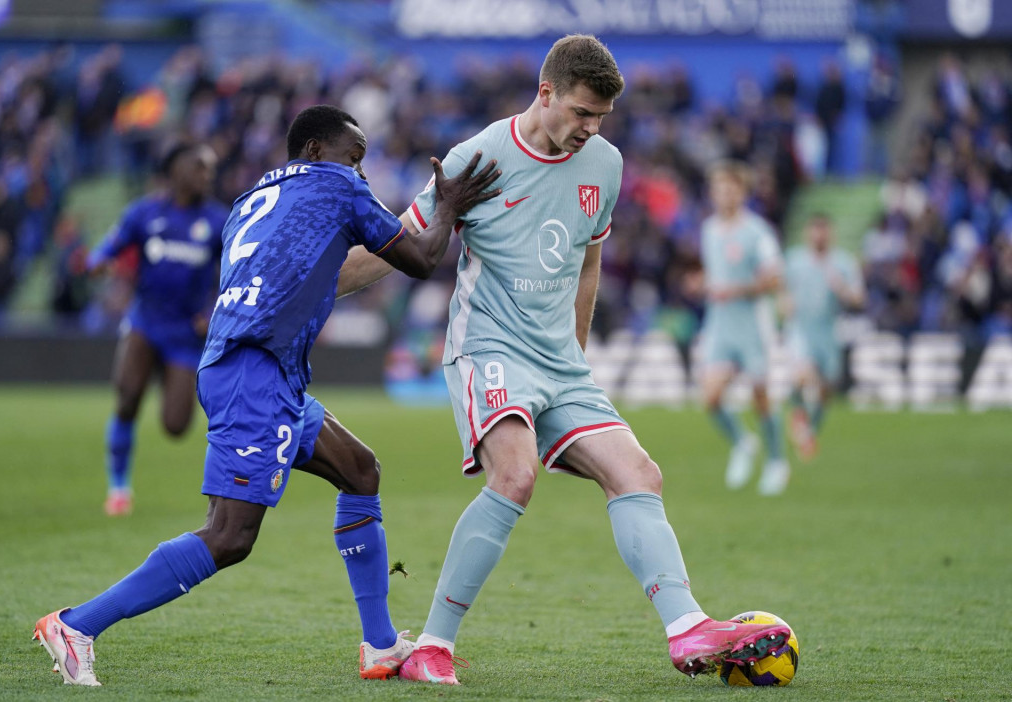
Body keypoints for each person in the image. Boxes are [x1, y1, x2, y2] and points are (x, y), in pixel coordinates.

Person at [337, 34, 790, 687]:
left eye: (601, 117)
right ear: (545, 93)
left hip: (559, 361)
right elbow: (398, 244)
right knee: (516, 475)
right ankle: (433, 645)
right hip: (488, 346)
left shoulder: (605, 163)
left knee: (639, 473)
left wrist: (574, 351)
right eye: (582, 112)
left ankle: (687, 626)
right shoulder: (477, 157)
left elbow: (589, 259)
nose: (591, 128)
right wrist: (305, 292)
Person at [33, 105, 502, 687]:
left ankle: (380, 646)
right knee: (230, 535)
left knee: (359, 471)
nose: (359, 171)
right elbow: (423, 259)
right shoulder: (336, 187)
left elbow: (298, 269)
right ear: (315, 151)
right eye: (353, 157)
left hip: (256, 367)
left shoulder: (250, 199)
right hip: (254, 374)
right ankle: (77, 624)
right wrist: (448, 205)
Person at [86, 143, 227, 516]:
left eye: (211, 169)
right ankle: (119, 488)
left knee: (176, 426)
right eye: (200, 167)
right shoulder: (144, 213)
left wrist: (212, 310)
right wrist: (98, 262)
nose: (207, 176)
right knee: (127, 397)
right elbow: (105, 249)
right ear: (176, 169)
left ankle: (169, 371)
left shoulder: (217, 221)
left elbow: (235, 273)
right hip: (146, 323)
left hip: (186, 334)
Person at [698, 161, 789, 496]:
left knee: (760, 398)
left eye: (730, 189)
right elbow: (717, 274)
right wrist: (704, 284)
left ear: (742, 192)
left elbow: (774, 278)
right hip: (720, 324)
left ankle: (777, 461)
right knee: (711, 397)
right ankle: (743, 442)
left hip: (752, 325)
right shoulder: (709, 229)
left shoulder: (758, 232)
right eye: (719, 189)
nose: (724, 195)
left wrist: (734, 290)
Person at [783, 213, 865, 459]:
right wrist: (784, 302)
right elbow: (782, 290)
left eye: (824, 230)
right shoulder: (795, 261)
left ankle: (809, 432)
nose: (819, 236)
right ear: (808, 234)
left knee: (826, 389)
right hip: (801, 329)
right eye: (815, 230)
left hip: (830, 330)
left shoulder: (843, 263)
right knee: (803, 376)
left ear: (831, 234)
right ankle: (798, 415)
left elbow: (859, 298)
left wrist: (842, 290)